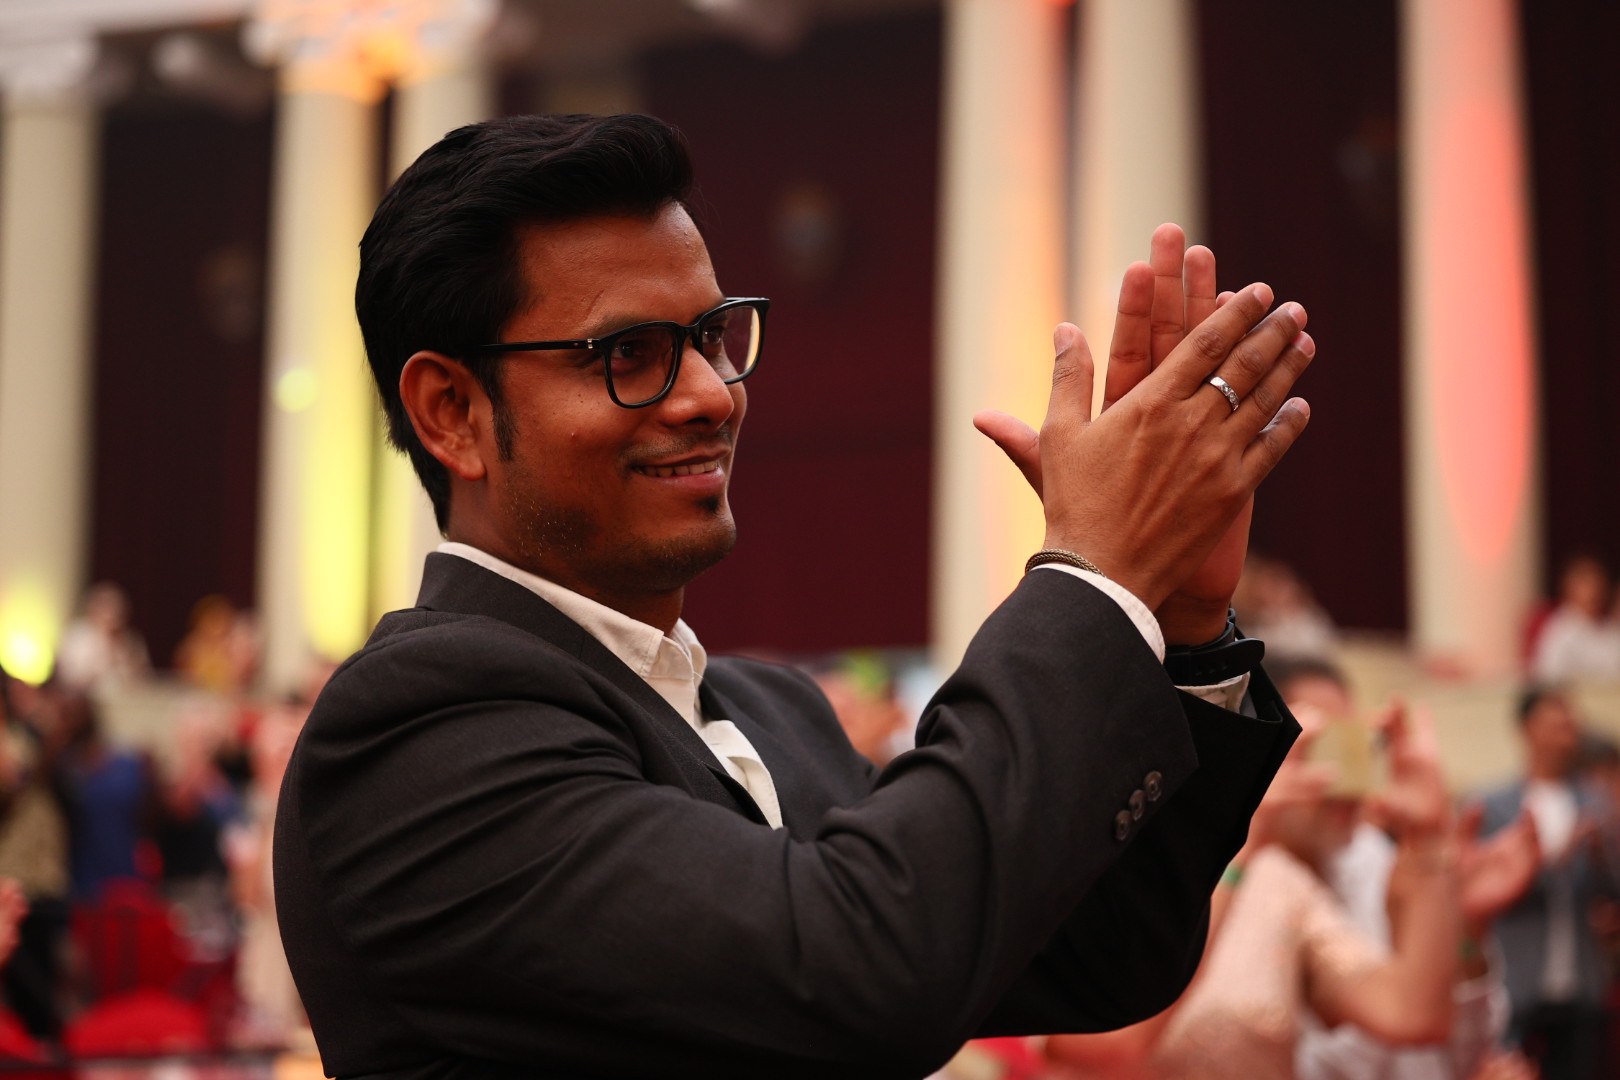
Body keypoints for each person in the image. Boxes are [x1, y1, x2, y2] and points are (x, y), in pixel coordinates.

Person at [274, 113, 1316, 1079]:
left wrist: (1176, 621)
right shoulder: (416, 727)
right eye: (628, 355)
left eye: (712, 335)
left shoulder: (777, 713)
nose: (708, 394)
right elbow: (864, 965)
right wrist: (1092, 578)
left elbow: (1096, 953)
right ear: (451, 412)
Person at [1478, 686, 1619, 1080]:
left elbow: (1612, 892)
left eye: (1570, 724)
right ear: (1527, 729)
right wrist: (1558, 857)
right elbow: (1487, 891)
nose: (1567, 732)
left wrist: (1601, 857)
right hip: (1517, 979)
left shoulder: (1596, 801)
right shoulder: (1494, 805)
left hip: (1582, 981)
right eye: (1556, 723)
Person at [1530, 556, 1620, 683]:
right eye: (1586, 584)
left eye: (1597, 584)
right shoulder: (1559, 629)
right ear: (1570, 588)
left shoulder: (1612, 629)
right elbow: (1547, 677)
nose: (1594, 592)